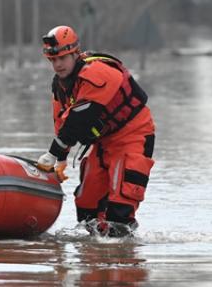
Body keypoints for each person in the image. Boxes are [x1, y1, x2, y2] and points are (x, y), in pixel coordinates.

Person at [35, 25, 155, 237]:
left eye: (62, 58)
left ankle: (123, 251)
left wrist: (52, 153)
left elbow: (79, 119)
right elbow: (62, 122)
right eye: (53, 60)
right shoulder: (60, 86)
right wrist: (61, 159)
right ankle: (94, 254)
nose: (57, 65)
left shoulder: (99, 73)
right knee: (86, 205)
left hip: (133, 136)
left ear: (75, 53)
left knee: (120, 209)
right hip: (104, 142)